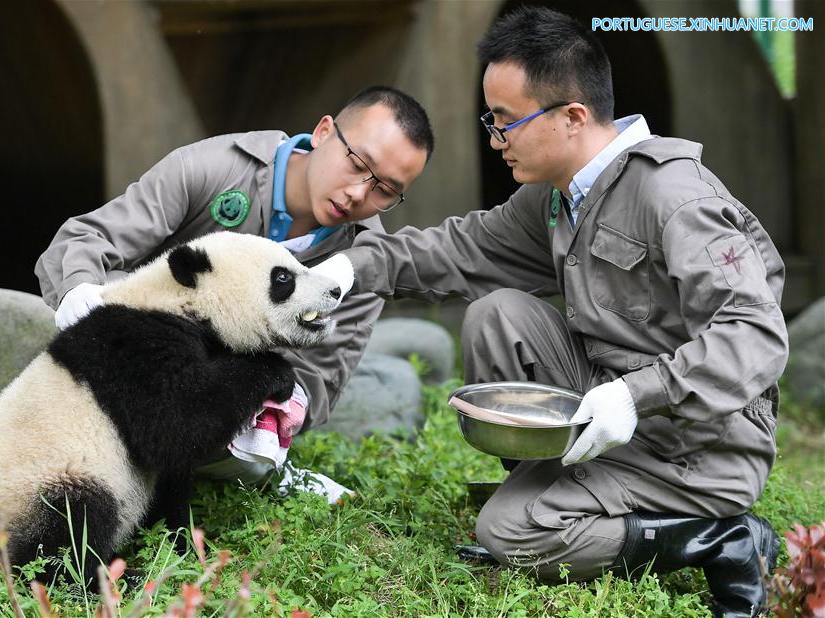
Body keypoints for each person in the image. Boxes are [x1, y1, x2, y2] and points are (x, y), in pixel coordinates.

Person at [317, 7, 787, 616]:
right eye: (492, 120)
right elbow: (464, 248)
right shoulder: (560, 197)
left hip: (697, 447)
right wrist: (351, 268)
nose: (494, 139)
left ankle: (721, 540)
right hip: (612, 411)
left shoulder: (674, 196)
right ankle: (559, 494)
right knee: (497, 314)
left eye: (508, 121)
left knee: (508, 530)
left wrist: (634, 396)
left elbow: (754, 336)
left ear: (572, 116)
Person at [36, 85, 433, 488]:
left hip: (228, 397)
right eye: (356, 163)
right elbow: (85, 241)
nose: (357, 193)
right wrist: (79, 295)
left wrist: (252, 411)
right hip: (140, 353)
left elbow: (320, 377)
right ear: (324, 132)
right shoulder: (211, 168)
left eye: (384, 190)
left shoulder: (366, 258)